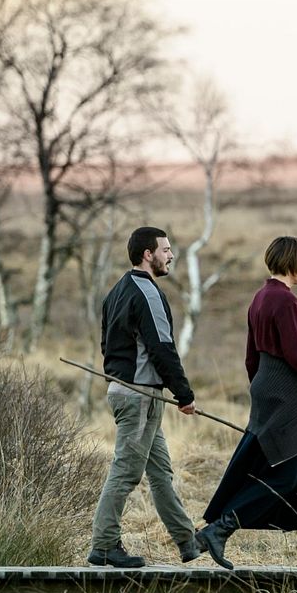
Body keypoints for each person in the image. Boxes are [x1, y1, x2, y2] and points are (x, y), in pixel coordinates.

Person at [196, 236, 297, 572]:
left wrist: (261, 392)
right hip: (289, 395)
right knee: (286, 475)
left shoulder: (260, 297)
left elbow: (252, 357)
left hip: (270, 391)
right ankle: (219, 529)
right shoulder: (285, 302)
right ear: (294, 261)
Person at [88, 227, 202, 568]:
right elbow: (162, 349)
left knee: (160, 472)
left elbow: (107, 347)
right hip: (139, 397)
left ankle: (187, 541)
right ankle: (104, 544)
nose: (170, 256)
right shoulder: (147, 293)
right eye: (165, 250)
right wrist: (184, 394)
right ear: (147, 254)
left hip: (129, 392)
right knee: (126, 471)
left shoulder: (116, 292)